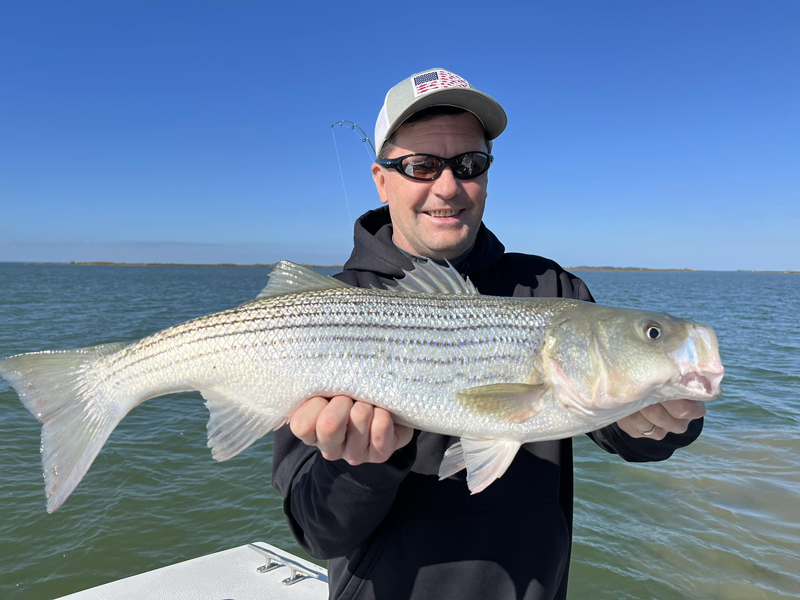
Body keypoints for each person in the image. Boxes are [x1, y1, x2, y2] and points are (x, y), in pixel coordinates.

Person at [272, 68, 706, 600]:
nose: (448, 186)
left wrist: (661, 422)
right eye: (420, 166)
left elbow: (615, 428)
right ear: (381, 178)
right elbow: (317, 532)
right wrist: (367, 464)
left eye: (469, 164)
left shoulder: (551, 288)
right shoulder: (317, 312)